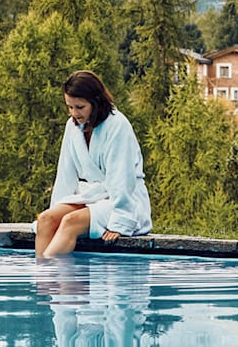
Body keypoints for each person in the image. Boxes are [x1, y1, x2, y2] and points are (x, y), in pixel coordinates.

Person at [35, 70, 151, 258]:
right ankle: (44, 283)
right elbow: (66, 174)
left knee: (70, 222)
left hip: (123, 201)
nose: (74, 114)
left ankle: (49, 277)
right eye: (70, 107)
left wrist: (121, 221)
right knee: (46, 220)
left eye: (80, 107)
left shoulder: (117, 125)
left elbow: (122, 177)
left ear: (96, 101)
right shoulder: (72, 127)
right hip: (92, 197)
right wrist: (56, 209)